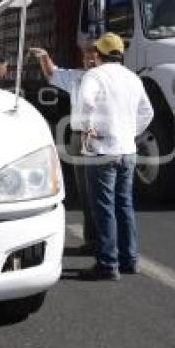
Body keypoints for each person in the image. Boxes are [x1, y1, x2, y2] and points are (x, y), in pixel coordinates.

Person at [76, 32, 154, 281]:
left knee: (104, 208)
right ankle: (129, 260)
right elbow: (147, 112)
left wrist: (87, 127)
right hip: (127, 150)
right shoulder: (133, 78)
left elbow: (85, 101)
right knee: (125, 205)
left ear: (99, 54)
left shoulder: (94, 75)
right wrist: (130, 132)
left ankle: (108, 264)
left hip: (102, 151)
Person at [29, 44, 98, 252]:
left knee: (102, 194)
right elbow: (53, 73)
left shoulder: (109, 79)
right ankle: (93, 241)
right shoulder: (78, 77)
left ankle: (110, 245)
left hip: (100, 138)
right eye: (86, 58)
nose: (89, 61)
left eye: (93, 58)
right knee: (86, 193)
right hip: (79, 138)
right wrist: (44, 56)